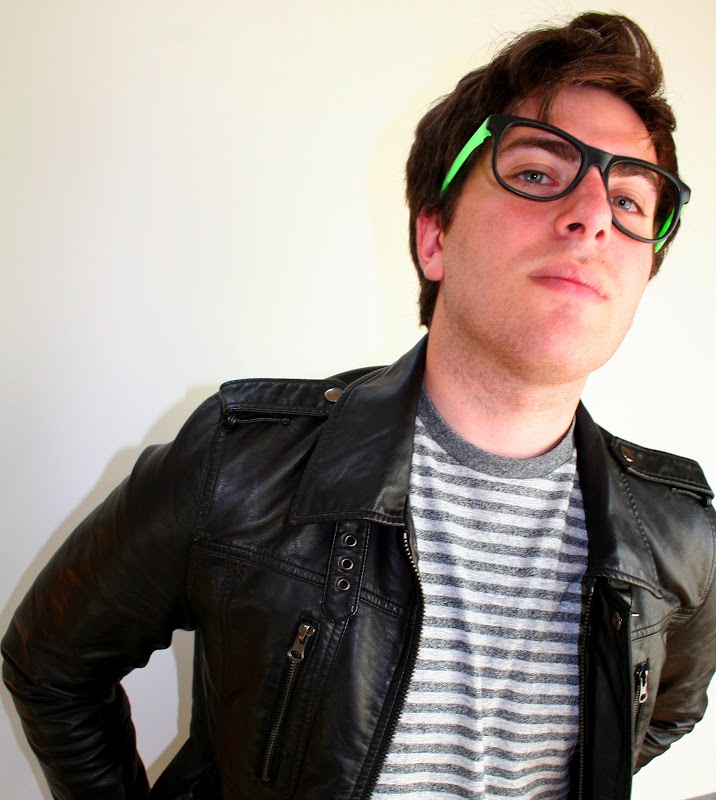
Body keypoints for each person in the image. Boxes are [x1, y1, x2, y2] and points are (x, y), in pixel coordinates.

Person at [3, 11, 715, 800]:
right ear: (434, 236)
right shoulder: (243, 466)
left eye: (630, 201)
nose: (592, 218)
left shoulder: (679, 537)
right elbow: (48, 665)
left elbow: (665, 712)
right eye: (539, 174)